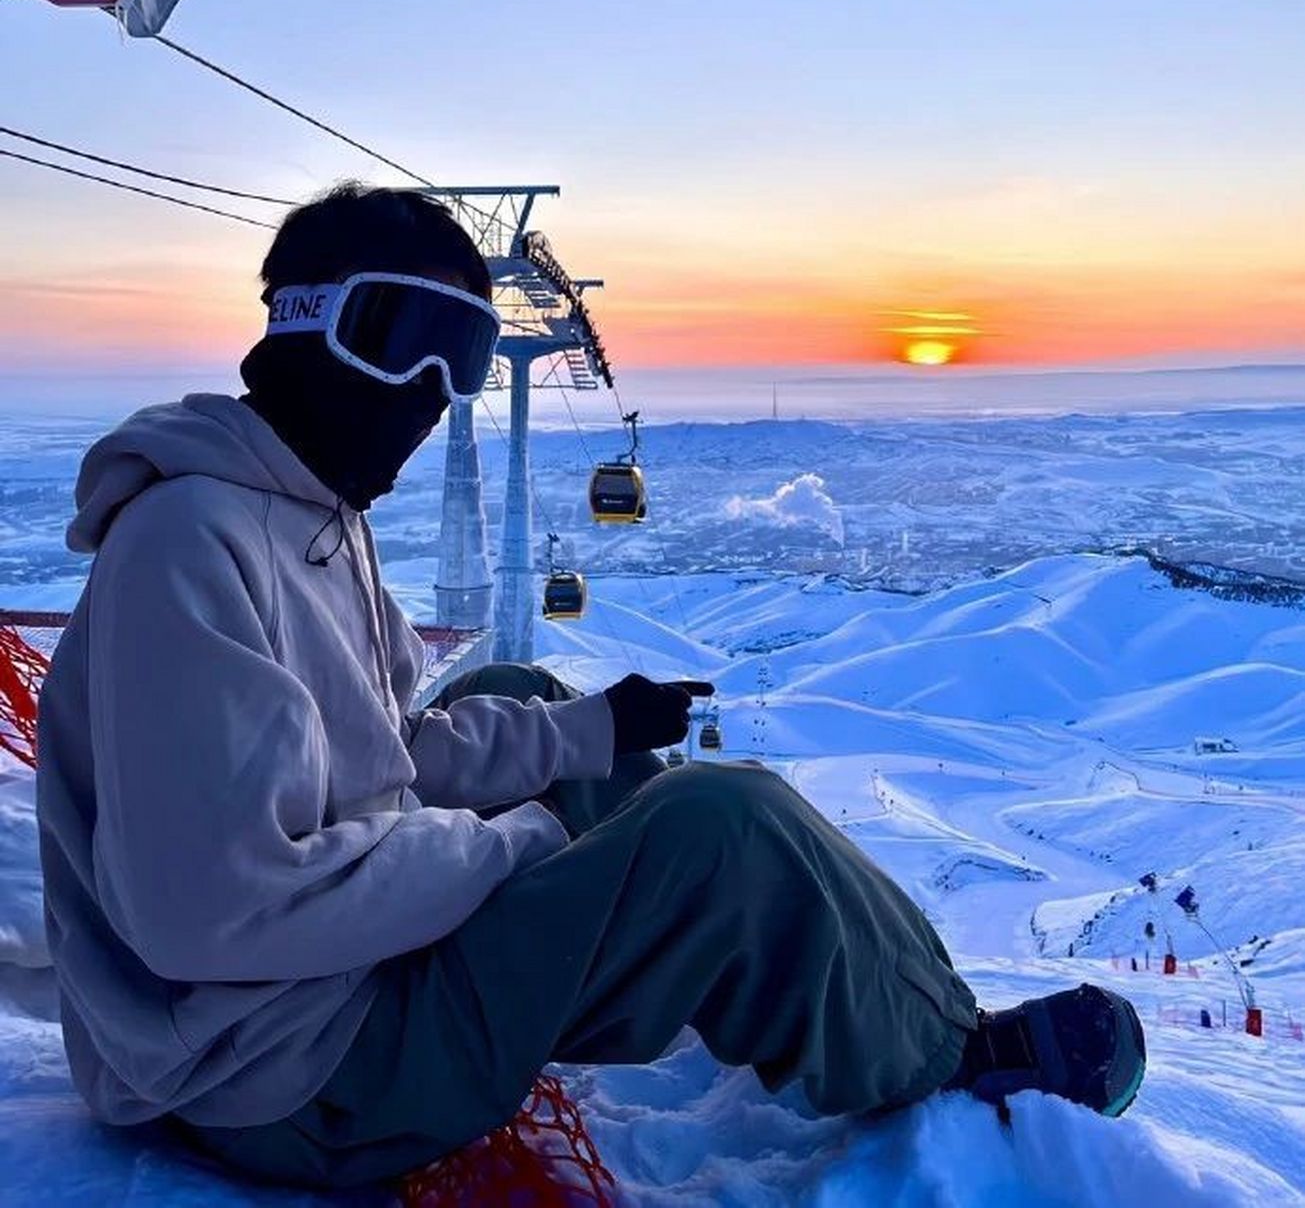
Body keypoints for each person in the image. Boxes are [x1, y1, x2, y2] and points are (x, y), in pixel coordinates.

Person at [35, 184, 1146, 1191]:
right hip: (283, 1075)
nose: (434, 395)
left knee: (549, 711)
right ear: (305, 321)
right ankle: (949, 1059)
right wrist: (516, 847)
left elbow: (392, 754)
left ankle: (852, 983)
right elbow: (217, 911)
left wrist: (590, 729)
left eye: (463, 357)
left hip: (313, 1003)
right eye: (410, 340)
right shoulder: (188, 545)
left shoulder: (315, 513)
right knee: (724, 822)